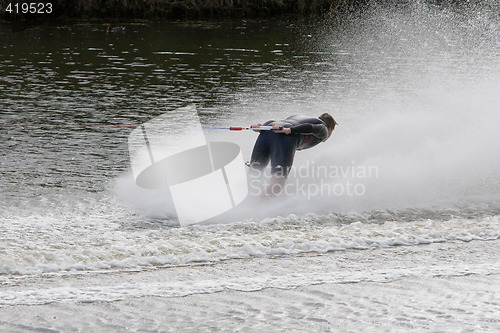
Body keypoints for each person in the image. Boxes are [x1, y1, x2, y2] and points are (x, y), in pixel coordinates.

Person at [249, 113, 337, 196]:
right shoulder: (324, 130)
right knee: (277, 184)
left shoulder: (299, 117)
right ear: (330, 129)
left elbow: (274, 122)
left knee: (253, 173)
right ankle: (255, 208)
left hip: (267, 131)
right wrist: (289, 130)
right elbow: (313, 128)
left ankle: (246, 200)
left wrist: (262, 127)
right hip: (285, 137)